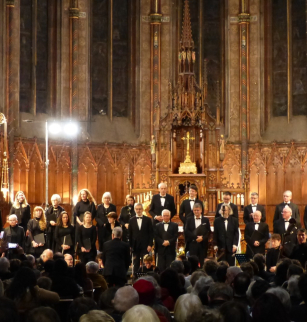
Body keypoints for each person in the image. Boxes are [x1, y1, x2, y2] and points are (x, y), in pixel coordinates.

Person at [129, 203, 154, 274]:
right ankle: (136, 277)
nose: (138, 210)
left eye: (140, 209)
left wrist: (150, 245)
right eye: (137, 209)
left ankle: (145, 276)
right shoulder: (131, 220)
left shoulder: (148, 220)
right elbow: (130, 234)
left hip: (145, 245)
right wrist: (130, 246)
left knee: (146, 262)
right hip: (135, 245)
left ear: (142, 209)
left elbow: (151, 233)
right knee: (135, 263)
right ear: (134, 210)